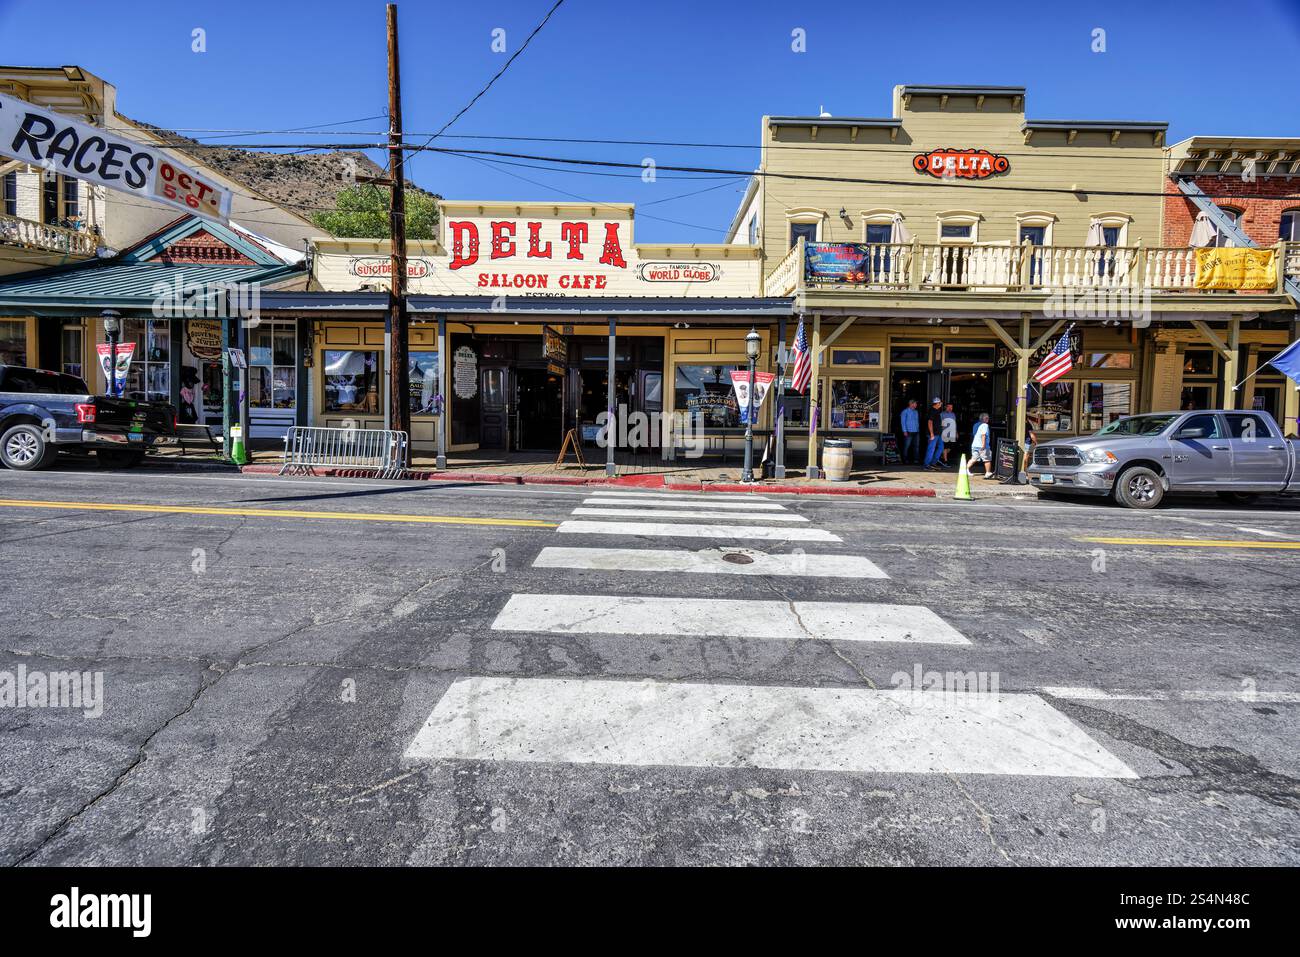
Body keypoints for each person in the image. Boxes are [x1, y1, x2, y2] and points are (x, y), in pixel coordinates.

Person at [923, 397, 945, 470]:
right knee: (931, 449)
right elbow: (930, 422)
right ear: (937, 403)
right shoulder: (932, 411)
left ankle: (933, 463)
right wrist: (931, 434)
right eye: (940, 403)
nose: (941, 404)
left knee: (941, 447)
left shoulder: (937, 410)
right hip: (933, 434)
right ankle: (926, 465)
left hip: (938, 433)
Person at [970, 412, 995, 478]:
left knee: (974, 458)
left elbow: (974, 434)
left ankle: (965, 470)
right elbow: (983, 435)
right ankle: (988, 473)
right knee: (987, 459)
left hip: (975, 444)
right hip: (982, 445)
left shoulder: (975, 425)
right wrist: (983, 445)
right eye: (988, 418)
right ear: (986, 419)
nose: (988, 419)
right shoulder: (985, 425)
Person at [900, 399, 920, 465]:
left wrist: (918, 429)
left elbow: (917, 422)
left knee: (916, 446)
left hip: (916, 431)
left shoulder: (916, 412)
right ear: (911, 404)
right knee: (906, 446)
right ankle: (905, 460)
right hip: (908, 432)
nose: (916, 405)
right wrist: (904, 431)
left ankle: (916, 460)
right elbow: (903, 422)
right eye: (915, 404)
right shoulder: (905, 411)